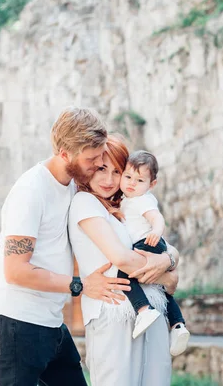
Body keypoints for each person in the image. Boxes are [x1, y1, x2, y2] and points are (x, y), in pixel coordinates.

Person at [0, 107, 143, 386]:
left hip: (52, 322)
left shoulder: (73, 185)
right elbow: (16, 271)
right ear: (65, 154)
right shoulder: (31, 190)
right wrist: (81, 285)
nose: (97, 165)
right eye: (91, 159)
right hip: (16, 321)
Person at [69, 135, 180, 386]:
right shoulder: (84, 202)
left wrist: (169, 259)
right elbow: (121, 258)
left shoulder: (126, 208)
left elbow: (164, 248)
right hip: (112, 312)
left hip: (152, 312)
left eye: (117, 171)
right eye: (101, 169)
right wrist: (169, 274)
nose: (109, 180)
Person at [117, 150, 190, 355]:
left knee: (124, 274)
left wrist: (157, 232)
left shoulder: (142, 200)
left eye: (139, 180)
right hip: (153, 245)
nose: (132, 183)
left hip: (148, 243)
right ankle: (177, 325)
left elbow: (157, 218)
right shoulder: (129, 198)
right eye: (128, 176)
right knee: (159, 287)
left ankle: (143, 310)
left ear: (151, 185)